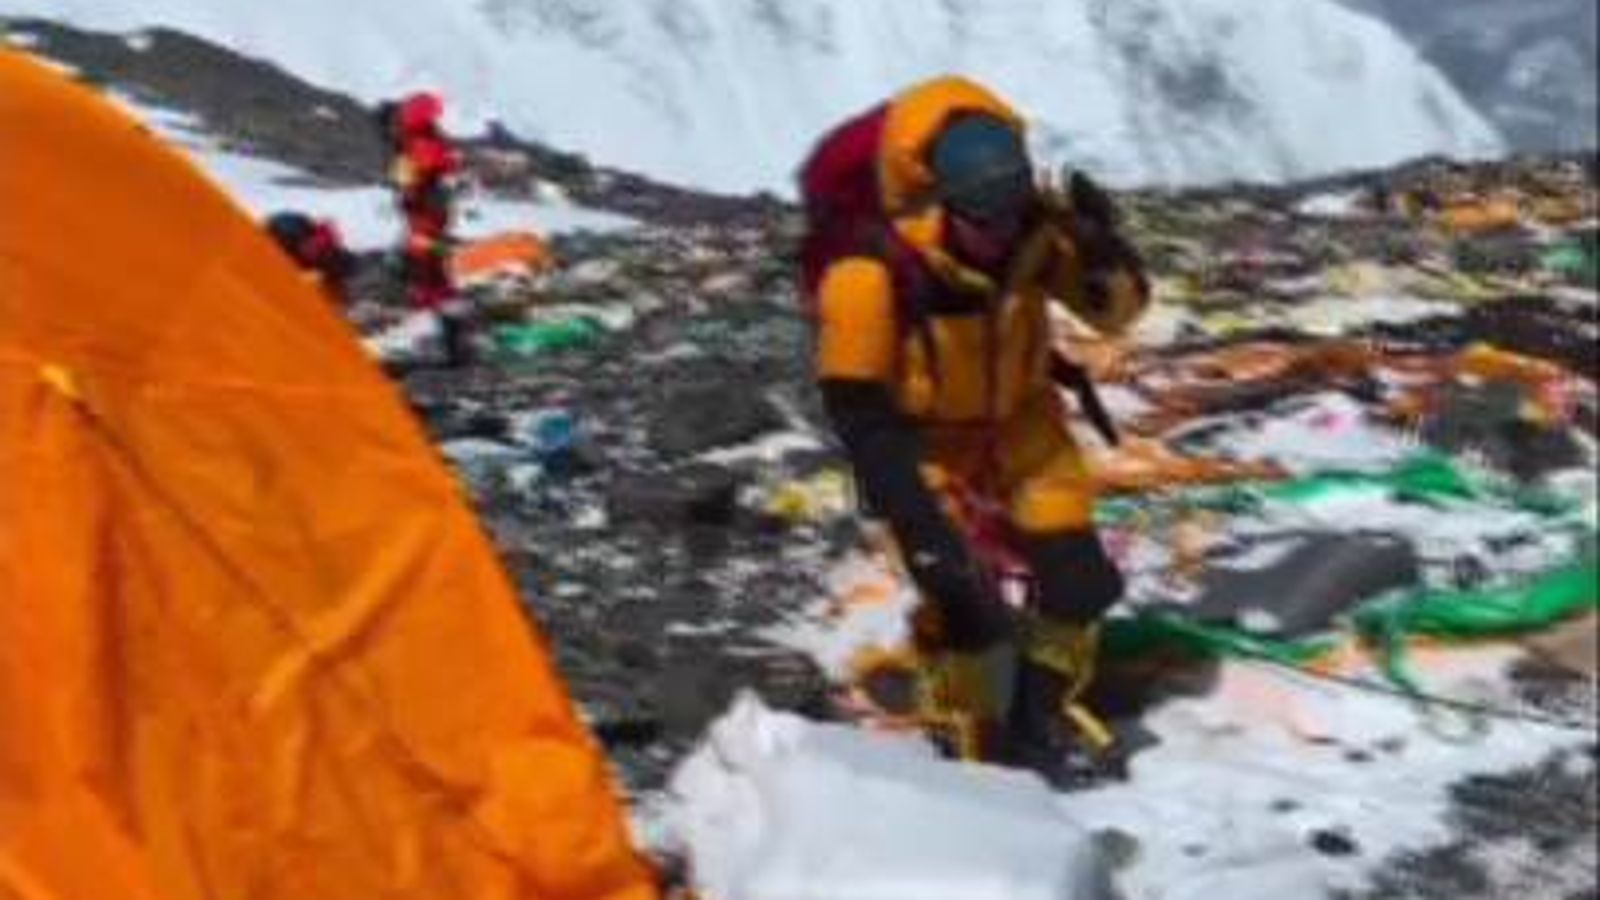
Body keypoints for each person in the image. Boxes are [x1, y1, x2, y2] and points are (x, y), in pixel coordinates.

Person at [799, 76, 1152, 774]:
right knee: (965, 605)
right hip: (921, 442)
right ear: (940, 200)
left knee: (1080, 584)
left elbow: (1114, 313)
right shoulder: (872, 272)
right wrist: (919, 525)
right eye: (982, 223)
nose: (999, 238)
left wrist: (1105, 249)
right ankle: (968, 724)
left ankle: (1035, 715)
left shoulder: (1035, 232)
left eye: (1011, 215)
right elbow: (858, 411)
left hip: (1024, 426)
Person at [377, 91, 469, 364]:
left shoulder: (418, 147)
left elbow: (411, 184)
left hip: (426, 219)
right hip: (428, 218)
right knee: (430, 270)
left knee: (428, 272)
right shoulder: (427, 144)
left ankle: (443, 339)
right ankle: (447, 335)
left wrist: (406, 188)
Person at [265, 211, 356, 305]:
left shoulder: (326, 257)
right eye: (311, 244)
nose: (311, 249)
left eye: (317, 248)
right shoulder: (291, 232)